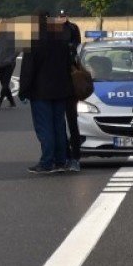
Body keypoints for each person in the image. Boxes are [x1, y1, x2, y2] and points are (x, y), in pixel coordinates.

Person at [18, 11, 76, 174]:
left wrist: (23, 91)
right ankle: (61, 160)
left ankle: (46, 162)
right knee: (59, 126)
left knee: (45, 127)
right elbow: (68, 64)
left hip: (41, 91)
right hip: (61, 89)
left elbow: (28, 70)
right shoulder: (61, 39)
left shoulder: (34, 41)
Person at [57, 9, 83, 171]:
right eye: (60, 16)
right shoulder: (55, 31)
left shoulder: (73, 28)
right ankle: (67, 154)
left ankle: (74, 155)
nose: (62, 18)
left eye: (64, 15)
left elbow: (78, 44)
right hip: (63, 89)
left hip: (69, 89)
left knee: (71, 123)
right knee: (62, 124)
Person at [0, 20, 18, 107]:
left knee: (5, 83)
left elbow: (18, 49)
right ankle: (12, 102)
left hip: (9, 64)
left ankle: (0, 102)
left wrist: (12, 58)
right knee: (4, 84)